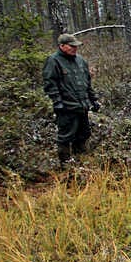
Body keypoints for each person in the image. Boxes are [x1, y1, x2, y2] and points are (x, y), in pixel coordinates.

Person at [42, 33, 100, 165]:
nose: (75, 49)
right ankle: (66, 164)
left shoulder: (81, 60)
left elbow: (87, 83)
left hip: (82, 105)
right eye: (71, 46)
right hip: (66, 106)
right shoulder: (53, 60)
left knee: (84, 133)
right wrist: (57, 102)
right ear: (62, 46)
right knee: (66, 136)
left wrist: (93, 100)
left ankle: (80, 159)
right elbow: (50, 84)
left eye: (76, 46)